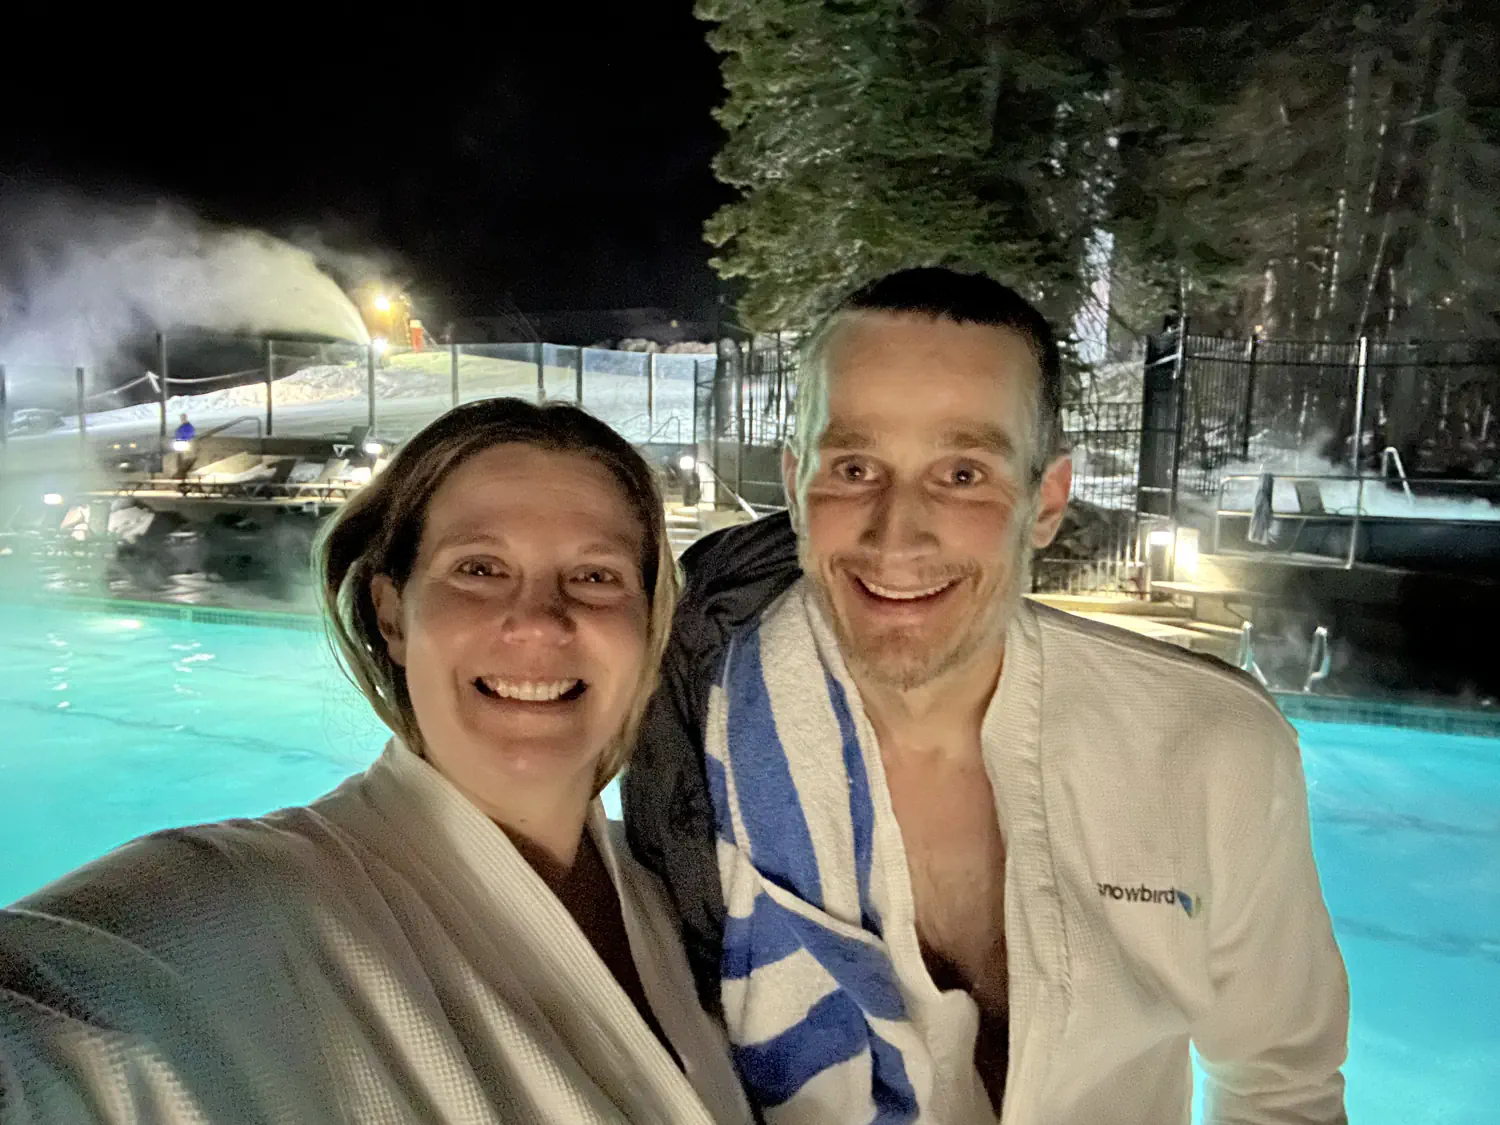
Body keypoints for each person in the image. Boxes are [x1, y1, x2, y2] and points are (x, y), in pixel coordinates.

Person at [625, 267, 1349, 1124]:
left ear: (1046, 502)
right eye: (853, 467)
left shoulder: (1208, 749)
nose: (897, 533)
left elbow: (1282, 1082)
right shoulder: (694, 742)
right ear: (795, 488)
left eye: (963, 473)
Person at [0, 399, 753, 1125]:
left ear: (648, 619)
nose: (538, 621)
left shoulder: (683, 894)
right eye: (479, 568)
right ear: (392, 614)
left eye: (595, 576)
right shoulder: (250, 904)